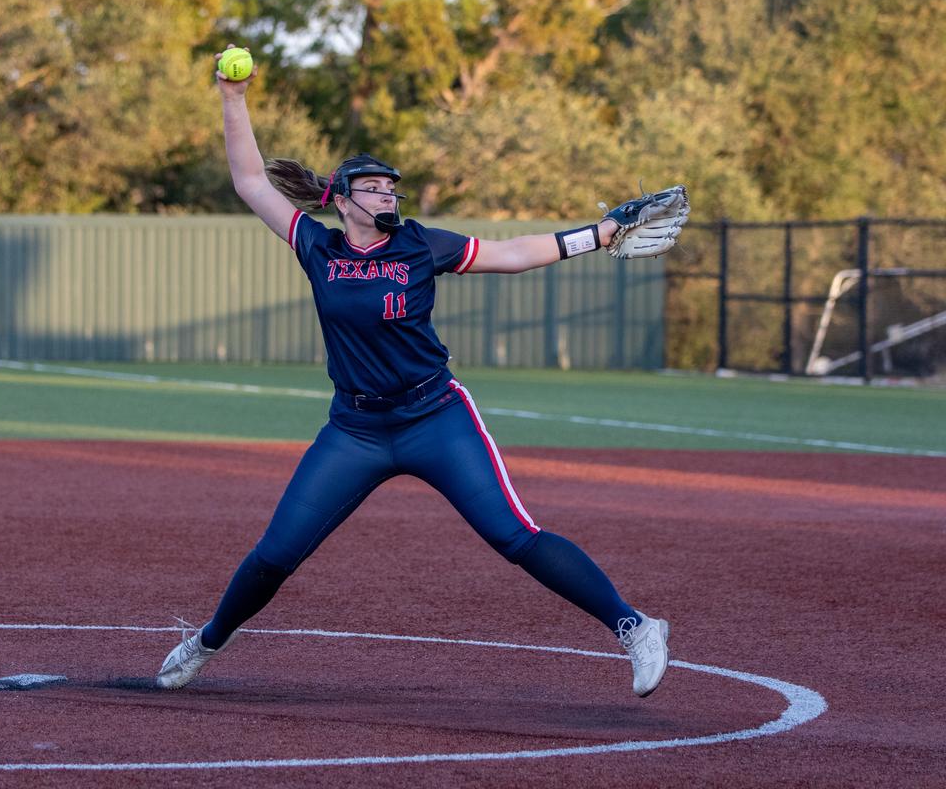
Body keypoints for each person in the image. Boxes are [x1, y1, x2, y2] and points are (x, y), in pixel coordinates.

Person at [157, 45, 671, 698]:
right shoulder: (316, 246)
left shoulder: (419, 244)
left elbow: (511, 254)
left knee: (514, 536)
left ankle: (636, 626)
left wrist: (596, 235)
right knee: (277, 553)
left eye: (393, 186)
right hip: (356, 430)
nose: (389, 193)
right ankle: (205, 641)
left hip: (435, 416)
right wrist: (234, 98)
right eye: (376, 186)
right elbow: (251, 181)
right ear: (343, 199)